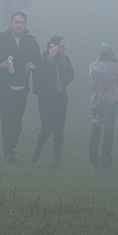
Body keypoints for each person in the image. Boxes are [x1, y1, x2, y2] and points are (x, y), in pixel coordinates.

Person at [0, 12, 39, 164]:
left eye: (22, 22)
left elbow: (37, 61)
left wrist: (32, 67)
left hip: (22, 86)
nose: (19, 25)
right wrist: (1, 65)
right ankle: (8, 151)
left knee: (17, 119)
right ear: (11, 23)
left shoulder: (31, 41)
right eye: (17, 22)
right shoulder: (1, 39)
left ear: (25, 25)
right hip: (5, 86)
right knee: (7, 118)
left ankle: (13, 147)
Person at [32, 34, 75, 166]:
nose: (63, 49)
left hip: (60, 97)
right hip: (46, 97)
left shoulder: (65, 59)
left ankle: (57, 160)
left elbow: (71, 75)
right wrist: (51, 58)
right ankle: (37, 152)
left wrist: (63, 81)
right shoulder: (42, 59)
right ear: (53, 47)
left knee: (59, 129)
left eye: (64, 46)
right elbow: (41, 74)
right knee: (47, 126)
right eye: (61, 46)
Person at [87, 43, 118, 169]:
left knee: (96, 130)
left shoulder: (94, 66)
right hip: (111, 102)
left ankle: (93, 160)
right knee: (109, 132)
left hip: (96, 102)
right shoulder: (116, 68)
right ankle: (106, 161)